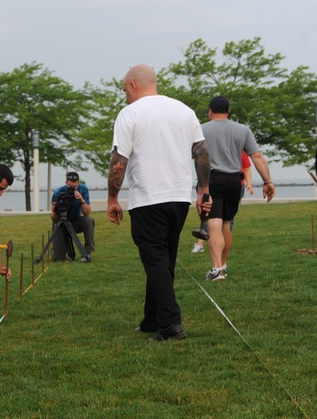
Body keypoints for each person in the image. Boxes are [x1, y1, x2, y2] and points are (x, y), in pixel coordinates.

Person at [106, 64, 211, 342]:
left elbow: (119, 162)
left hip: (147, 198)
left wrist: (113, 198)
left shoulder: (130, 114)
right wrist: (203, 190)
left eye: (123, 89)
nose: (124, 95)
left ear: (132, 86)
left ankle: (171, 325)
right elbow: (201, 152)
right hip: (178, 197)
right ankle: (152, 319)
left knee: (155, 260)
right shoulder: (184, 110)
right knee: (164, 259)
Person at [199, 96, 276, 281]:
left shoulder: (200, 129)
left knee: (214, 224)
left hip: (212, 179)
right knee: (226, 224)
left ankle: (216, 269)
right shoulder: (243, 130)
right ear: (228, 111)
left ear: (210, 111)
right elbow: (256, 157)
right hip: (235, 180)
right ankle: (223, 265)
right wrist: (268, 181)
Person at [192, 150, 252, 254]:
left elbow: (246, 168)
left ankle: (221, 246)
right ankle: (202, 244)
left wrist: (249, 184)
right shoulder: (217, 152)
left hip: (236, 185)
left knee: (228, 219)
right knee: (211, 215)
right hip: (217, 183)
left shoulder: (240, 152)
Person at [49, 171, 95, 261]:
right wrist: (54, 210)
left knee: (89, 220)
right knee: (58, 259)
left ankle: (87, 253)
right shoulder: (58, 192)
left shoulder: (83, 189)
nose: (72, 189)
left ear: (78, 183)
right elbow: (54, 218)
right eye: (70, 186)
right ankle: (56, 250)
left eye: (75, 186)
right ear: (66, 183)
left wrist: (81, 200)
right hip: (60, 223)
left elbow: (87, 213)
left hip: (75, 221)